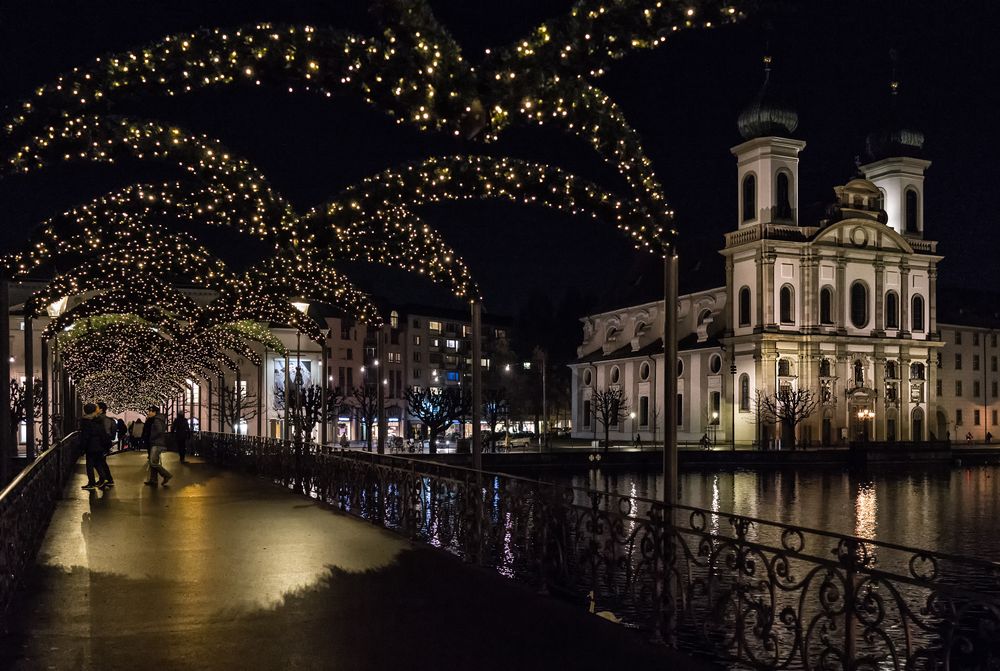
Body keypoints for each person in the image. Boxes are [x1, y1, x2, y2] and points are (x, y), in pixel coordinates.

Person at [80, 403, 113, 490]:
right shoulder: (98, 420)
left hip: (91, 446)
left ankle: (91, 483)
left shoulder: (86, 421)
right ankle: (103, 478)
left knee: (89, 465)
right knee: (98, 463)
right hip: (99, 446)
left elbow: (85, 436)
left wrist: (82, 448)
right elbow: (103, 434)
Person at [142, 406, 172, 486]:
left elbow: (159, 430)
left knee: (152, 462)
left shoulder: (157, 420)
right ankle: (153, 480)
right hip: (156, 442)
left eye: (149, 411)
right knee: (154, 462)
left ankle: (166, 475)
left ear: (154, 412)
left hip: (157, 443)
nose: (148, 413)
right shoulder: (157, 419)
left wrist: (151, 437)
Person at [94, 402, 116, 487]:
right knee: (102, 462)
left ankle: (105, 479)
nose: (95, 409)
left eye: (97, 407)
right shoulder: (104, 419)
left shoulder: (102, 419)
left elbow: (106, 433)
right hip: (103, 443)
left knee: (99, 462)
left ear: (101, 410)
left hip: (102, 443)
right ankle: (107, 479)